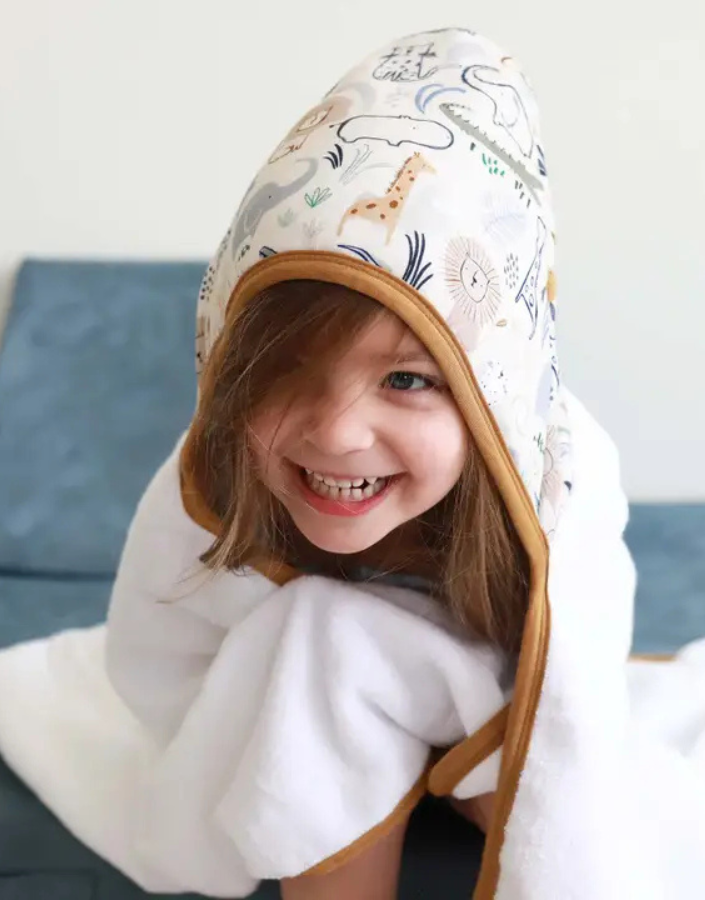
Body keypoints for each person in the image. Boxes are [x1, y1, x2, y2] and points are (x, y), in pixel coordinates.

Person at [104, 24, 582, 900]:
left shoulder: (556, 495)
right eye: (287, 369)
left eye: (406, 379)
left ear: (488, 397)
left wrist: (496, 767)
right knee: (324, 637)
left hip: (485, 725)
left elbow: (575, 717)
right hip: (295, 724)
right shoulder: (203, 491)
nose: (336, 434)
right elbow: (160, 670)